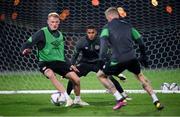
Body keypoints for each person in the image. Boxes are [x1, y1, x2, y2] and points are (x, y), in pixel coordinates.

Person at [97, 7, 164, 110]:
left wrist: (101, 60)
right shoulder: (129, 26)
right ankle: (156, 100)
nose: (107, 20)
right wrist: (144, 57)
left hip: (117, 60)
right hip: (132, 58)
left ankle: (119, 99)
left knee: (101, 75)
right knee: (140, 76)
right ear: (117, 15)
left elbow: (103, 45)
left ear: (109, 16)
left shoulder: (106, 28)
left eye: (107, 18)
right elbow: (141, 42)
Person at [21, 12, 88, 107]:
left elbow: (62, 54)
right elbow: (27, 43)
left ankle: (77, 100)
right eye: (52, 22)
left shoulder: (60, 35)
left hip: (59, 62)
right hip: (45, 63)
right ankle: (67, 98)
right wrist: (24, 50)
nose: (54, 24)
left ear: (59, 22)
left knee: (76, 79)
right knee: (50, 74)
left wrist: (70, 64)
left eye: (56, 22)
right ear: (48, 22)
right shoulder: (41, 33)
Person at [67, 25, 130, 101]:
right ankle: (66, 96)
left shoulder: (100, 41)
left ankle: (123, 95)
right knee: (72, 77)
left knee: (109, 77)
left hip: (97, 63)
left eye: (92, 32)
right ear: (86, 33)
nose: (91, 34)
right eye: (89, 32)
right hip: (85, 63)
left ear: (96, 32)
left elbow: (106, 55)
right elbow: (75, 55)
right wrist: (72, 65)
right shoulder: (81, 41)